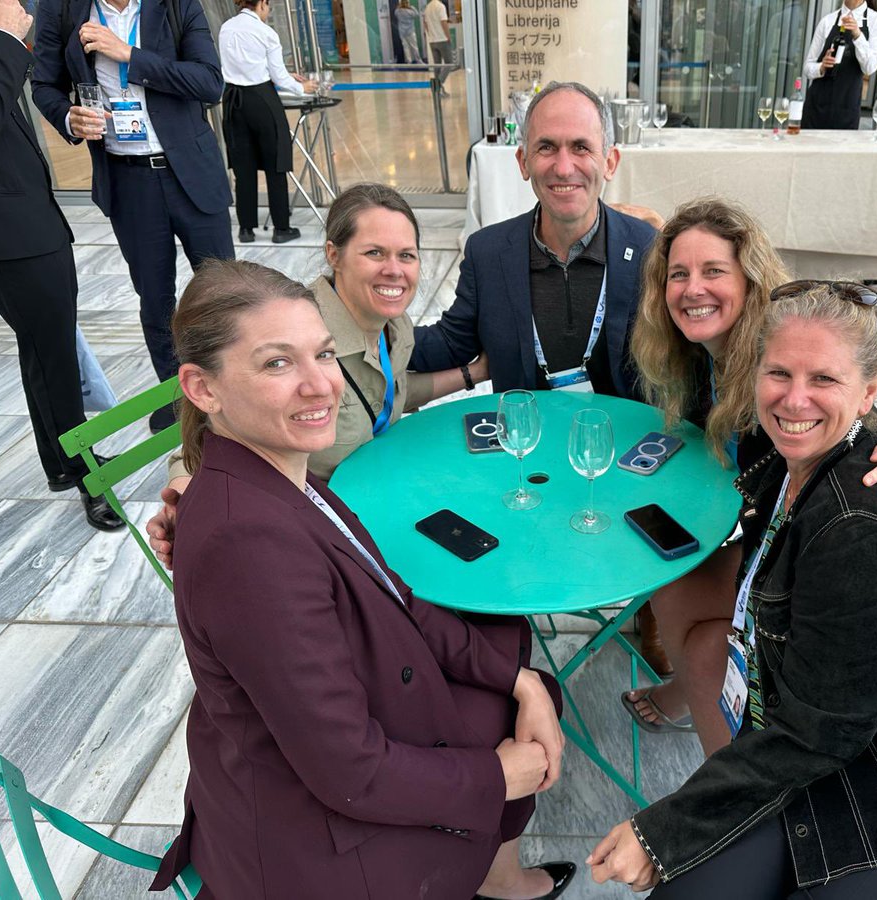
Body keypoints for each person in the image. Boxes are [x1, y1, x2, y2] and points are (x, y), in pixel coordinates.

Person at [590, 281, 877, 900]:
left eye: (823, 380)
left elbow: (817, 733)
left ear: (870, 392)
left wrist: (663, 830)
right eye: (778, 372)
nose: (794, 399)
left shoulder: (869, 531)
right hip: (830, 761)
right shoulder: (787, 462)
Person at [147, 259, 573, 900]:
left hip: (334, 732)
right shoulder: (247, 542)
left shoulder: (287, 473)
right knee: (515, 686)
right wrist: (492, 777)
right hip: (317, 842)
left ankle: (498, 875)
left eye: (322, 354)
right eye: (276, 364)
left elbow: (396, 598)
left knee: (516, 659)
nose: (321, 386)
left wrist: (521, 683)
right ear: (203, 390)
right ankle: (489, 874)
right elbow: (349, 770)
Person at [622, 199, 877, 753]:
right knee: (673, 581)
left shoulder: (777, 354)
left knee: (698, 626)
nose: (691, 288)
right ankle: (691, 694)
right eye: (678, 274)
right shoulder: (703, 353)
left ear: (750, 280)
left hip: (814, 569)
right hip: (772, 540)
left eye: (713, 272)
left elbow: (859, 428)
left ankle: (727, 781)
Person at [408, 81, 668, 671]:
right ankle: (504, 643)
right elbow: (451, 340)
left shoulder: (650, 249)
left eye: (581, 146)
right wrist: (368, 325)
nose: (564, 165)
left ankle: (649, 611)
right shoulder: (488, 251)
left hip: (626, 455)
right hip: (526, 457)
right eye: (546, 147)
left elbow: (698, 344)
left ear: (610, 160)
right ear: (522, 162)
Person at [147, 183, 487, 563]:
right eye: (374, 252)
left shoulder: (394, 324)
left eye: (406, 255)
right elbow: (209, 441)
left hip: (377, 493)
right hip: (323, 527)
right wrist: (183, 498)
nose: (394, 270)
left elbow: (390, 391)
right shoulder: (296, 332)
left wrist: (474, 372)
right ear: (334, 255)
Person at [31, 0, 235, 434]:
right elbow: (44, 85)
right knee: (155, 298)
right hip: (129, 181)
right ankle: (179, 399)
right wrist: (68, 116)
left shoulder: (179, 6)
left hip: (191, 173)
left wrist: (129, 55)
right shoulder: (63, 11)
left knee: (225, 292)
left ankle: (238, 389)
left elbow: (209, 83)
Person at [0, 0, 122, 531]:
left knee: (43, 351)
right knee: (57, 358)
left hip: (22, 225)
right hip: (15, 236)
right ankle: (87, 476)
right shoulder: (0, 43)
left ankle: (62, 463)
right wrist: (3, 37)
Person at [218, 0, 317, 245]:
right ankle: (281, 228)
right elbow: (278, 77)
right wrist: (301, 87)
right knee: (276, 164)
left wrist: (281, 75)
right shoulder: (266, 32)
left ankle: (246, 229)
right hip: (262, 101)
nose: (268, 10)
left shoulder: (225, 28)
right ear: (261, 3)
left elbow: (235, 66)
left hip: (233, 101)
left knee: (243, 167)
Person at [801, 0, 877, 130]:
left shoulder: (876, 21)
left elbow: (870, 68)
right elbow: (807, 68)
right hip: (816, 108)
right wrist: (822, 67)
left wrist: (858, 35)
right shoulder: (827, 21)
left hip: (847, 111)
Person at [423, 0, 453, 95]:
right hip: (442, 39)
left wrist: (430, 34)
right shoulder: (440, 6)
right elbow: (444, 22)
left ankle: (438, 91)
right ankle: (438, 84)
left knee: (437, 65)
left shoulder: (428, 7)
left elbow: (425, 23)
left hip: (433, 40)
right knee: (449, 63)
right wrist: (448, 36)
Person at [395, 0, 425, 65]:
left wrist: (399, 7)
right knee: (414, 46)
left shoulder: (398, 11)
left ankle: (409, 61)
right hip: (410, 31)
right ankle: (418, 60)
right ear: (407, 3)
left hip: (402, 32)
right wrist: (412, 7)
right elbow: (417, 14)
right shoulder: (410, 12)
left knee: (405, 47)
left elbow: (395, 14)